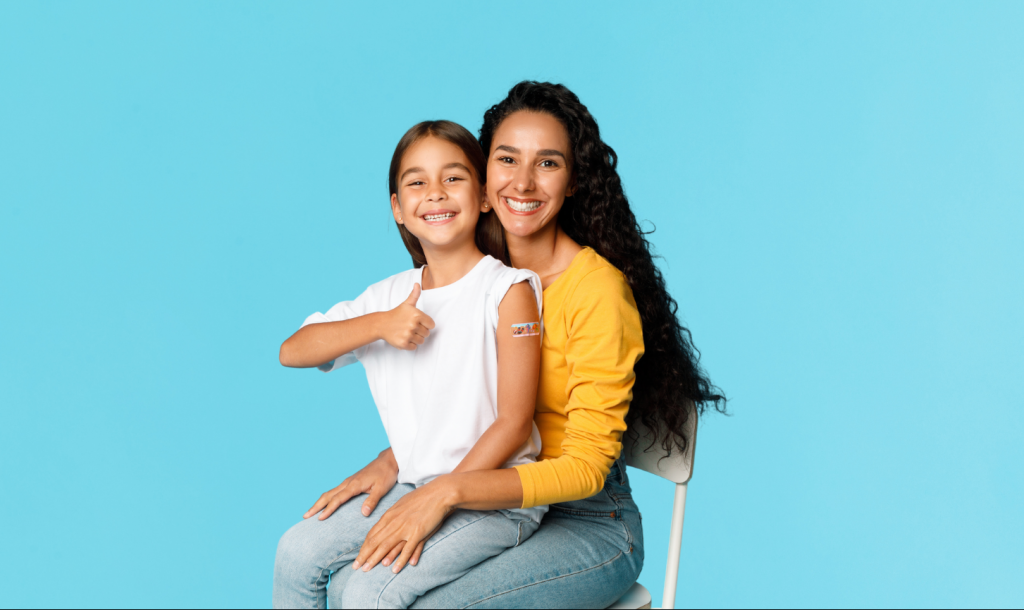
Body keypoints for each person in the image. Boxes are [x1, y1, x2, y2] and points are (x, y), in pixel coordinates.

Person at [329, 82, 725, 609]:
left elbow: (585, 470)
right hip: (488, 500)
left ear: (574, 181)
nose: (523, 182)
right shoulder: (476, 272)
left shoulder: (598, 294)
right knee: (341, 581)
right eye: (507, 159)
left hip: (588, 523)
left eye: (548, 164)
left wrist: (445, 490)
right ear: (482, 173)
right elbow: (457, 400)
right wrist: (397, 459)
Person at [272, 120, 548, 609]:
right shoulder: (389, 298)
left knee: (367, 594)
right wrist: (379, 325)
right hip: (414, 484)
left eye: (453, 178)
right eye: (416, 182)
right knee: (296, 553)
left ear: (484, 195)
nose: (435, 194)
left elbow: (513, 423)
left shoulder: (508, 291)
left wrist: (435, 497)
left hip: (493, 500)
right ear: (398, 209)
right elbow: (292, 350)